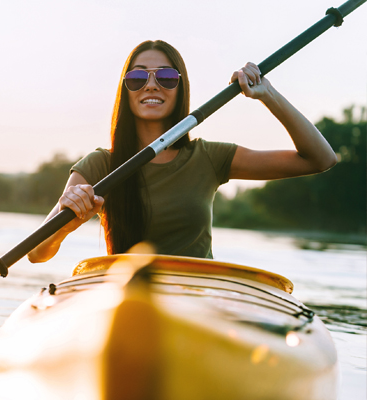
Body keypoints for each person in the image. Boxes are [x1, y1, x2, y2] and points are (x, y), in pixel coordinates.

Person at [28, 40, 337, 262]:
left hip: (197, 299)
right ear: (126, 91)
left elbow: (320, 159)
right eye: (137, 77)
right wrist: (65, 226)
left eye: (165, 76)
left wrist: (267, 94)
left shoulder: (210, 159)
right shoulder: (99, 165)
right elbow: (37, 253)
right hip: (129, 303)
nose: (151, 85)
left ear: (180, 87)